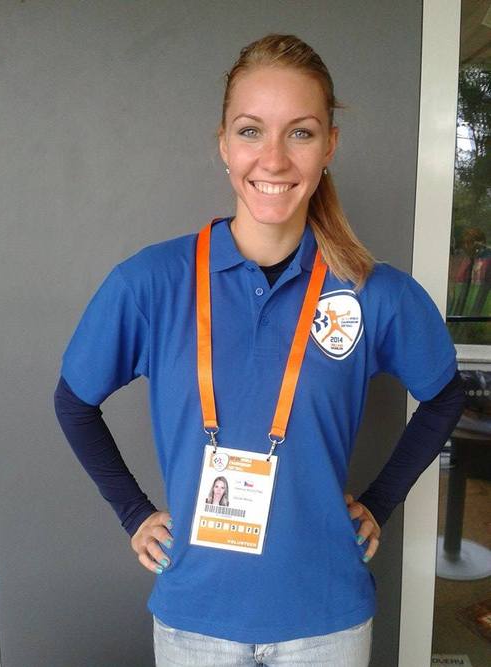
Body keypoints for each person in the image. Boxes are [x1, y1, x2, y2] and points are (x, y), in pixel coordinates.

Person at [54, 33, 466, 667]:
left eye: (300, 133)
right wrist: (133, 512)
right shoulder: (151, 284)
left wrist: (380, 502)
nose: (273, 159)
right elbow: (74, 401)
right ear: (223, 143)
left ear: (329, 146)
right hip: (196, 620)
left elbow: (444, 395)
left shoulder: (373, 293)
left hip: (326, 620)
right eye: (251, 131)